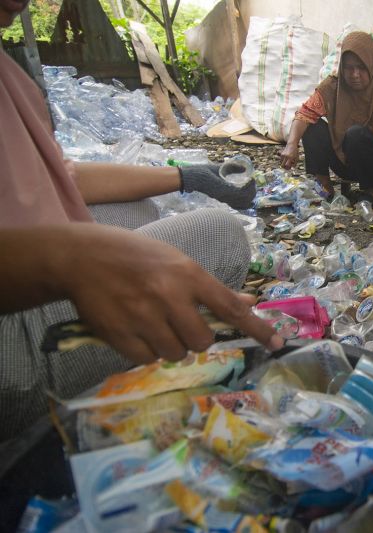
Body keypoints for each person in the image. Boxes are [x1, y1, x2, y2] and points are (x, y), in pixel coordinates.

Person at [0, 0, 281, 440]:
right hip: (9, 348)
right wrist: (69, 260)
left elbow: (59, 178)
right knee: (220, 234)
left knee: (139, 209)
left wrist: (188, 176)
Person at [280, 31, 373, 203]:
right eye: (349, 67)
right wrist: (291, 145)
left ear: (372, 65)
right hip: (346, 163)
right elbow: (305, 113)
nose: (355, 74)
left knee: (356, 134)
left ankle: (370, 191)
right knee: (312, 126)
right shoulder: (334, 86)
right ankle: (324, 184)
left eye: (361, 67)